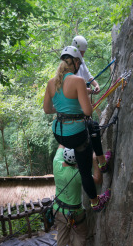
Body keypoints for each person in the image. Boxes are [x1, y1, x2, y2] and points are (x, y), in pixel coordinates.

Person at [43, 45, 111, 212]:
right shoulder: (78, 81)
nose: (79, 66)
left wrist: (62, 110)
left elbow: (46, 109)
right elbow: (88, 111)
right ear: (74, 62)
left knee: (92, 126)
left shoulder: (51, 83)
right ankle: (96, 201)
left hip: (59, 134)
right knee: (84, 170)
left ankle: (101, 162)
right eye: (79, 63)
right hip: (76, 135)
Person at [53, 145, 106, 246]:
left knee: (61, 237)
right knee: (80, 235)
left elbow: (61, 145)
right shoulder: (78, 174)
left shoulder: (56, 162)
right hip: (76, 212)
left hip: (59, 209)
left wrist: (68, 139)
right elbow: (98, 180)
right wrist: (94, 160)